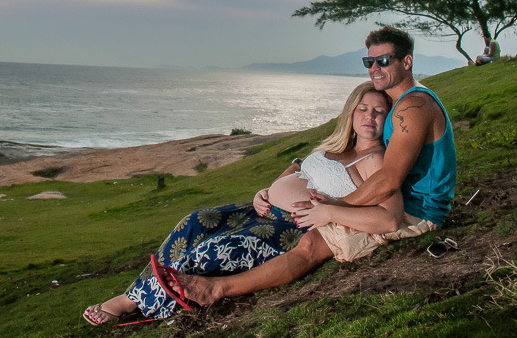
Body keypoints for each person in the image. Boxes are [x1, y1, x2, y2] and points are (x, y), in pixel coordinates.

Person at [163, 25, 457, 310]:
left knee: (310, 246)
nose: (375, 68)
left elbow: (389, 179)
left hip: (417, 212)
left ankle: (213, 289)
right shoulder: (403, 102)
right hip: (399, 202)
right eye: (369, 61)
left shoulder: (412, 107)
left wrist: (336, 207)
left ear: (407, 62)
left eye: (384, 60)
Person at [82, 81, 402, 325]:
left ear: (387, 119)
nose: (369, 116)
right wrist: (266, 189)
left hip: (291, 227)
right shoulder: (338, 145)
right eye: (363, 108)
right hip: (261, 208)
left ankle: (140, 305)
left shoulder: (377, 160)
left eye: (378, 111)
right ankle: (136, 294)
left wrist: (330, 210)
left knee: (215, 249)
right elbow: (298, 167)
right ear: (351, 110)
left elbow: (389, 219)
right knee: (196, 220)